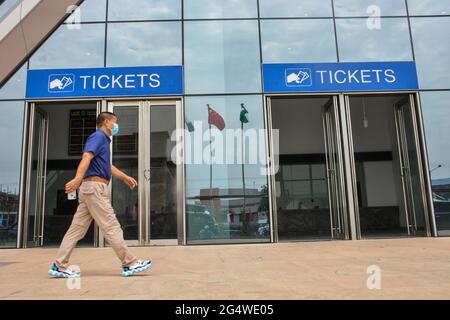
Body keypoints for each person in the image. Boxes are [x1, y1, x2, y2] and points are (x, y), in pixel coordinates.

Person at [48, 112, 152, 278]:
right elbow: (86, 157)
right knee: (111, 226)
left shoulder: (103, 140)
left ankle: (59, 265)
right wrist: (77, 178)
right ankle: (130, 263)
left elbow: (107, 166)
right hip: (95, 189)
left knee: (76, 230)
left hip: (91, 189)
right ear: (106, 122)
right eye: (114, 122)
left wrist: (124, 177)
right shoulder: (98, 137)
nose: (116, 126)